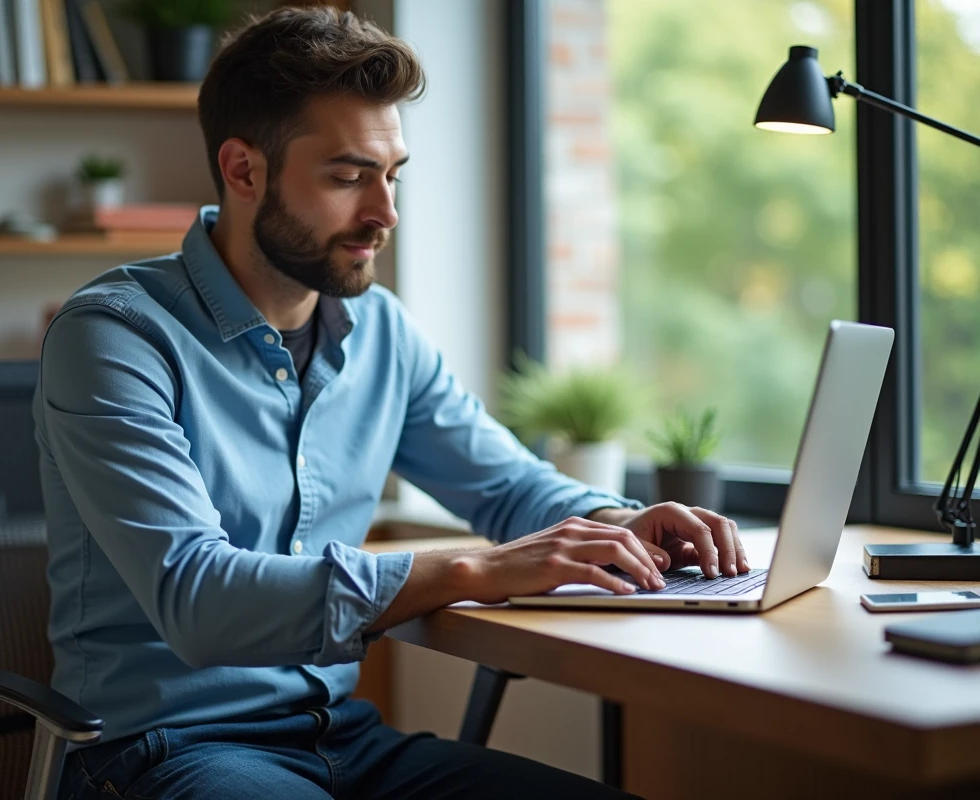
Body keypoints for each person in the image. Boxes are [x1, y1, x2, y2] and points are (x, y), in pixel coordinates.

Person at [36, 7, 748, 799]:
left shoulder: (381, 331)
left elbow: (510, 488)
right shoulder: (115, 336)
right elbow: (198, 598)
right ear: (243, 171)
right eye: (347, 177)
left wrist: (620, 525)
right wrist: (471, 567)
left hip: (343, 741)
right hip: (163, 752)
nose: (386, 213)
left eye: (392, 174)